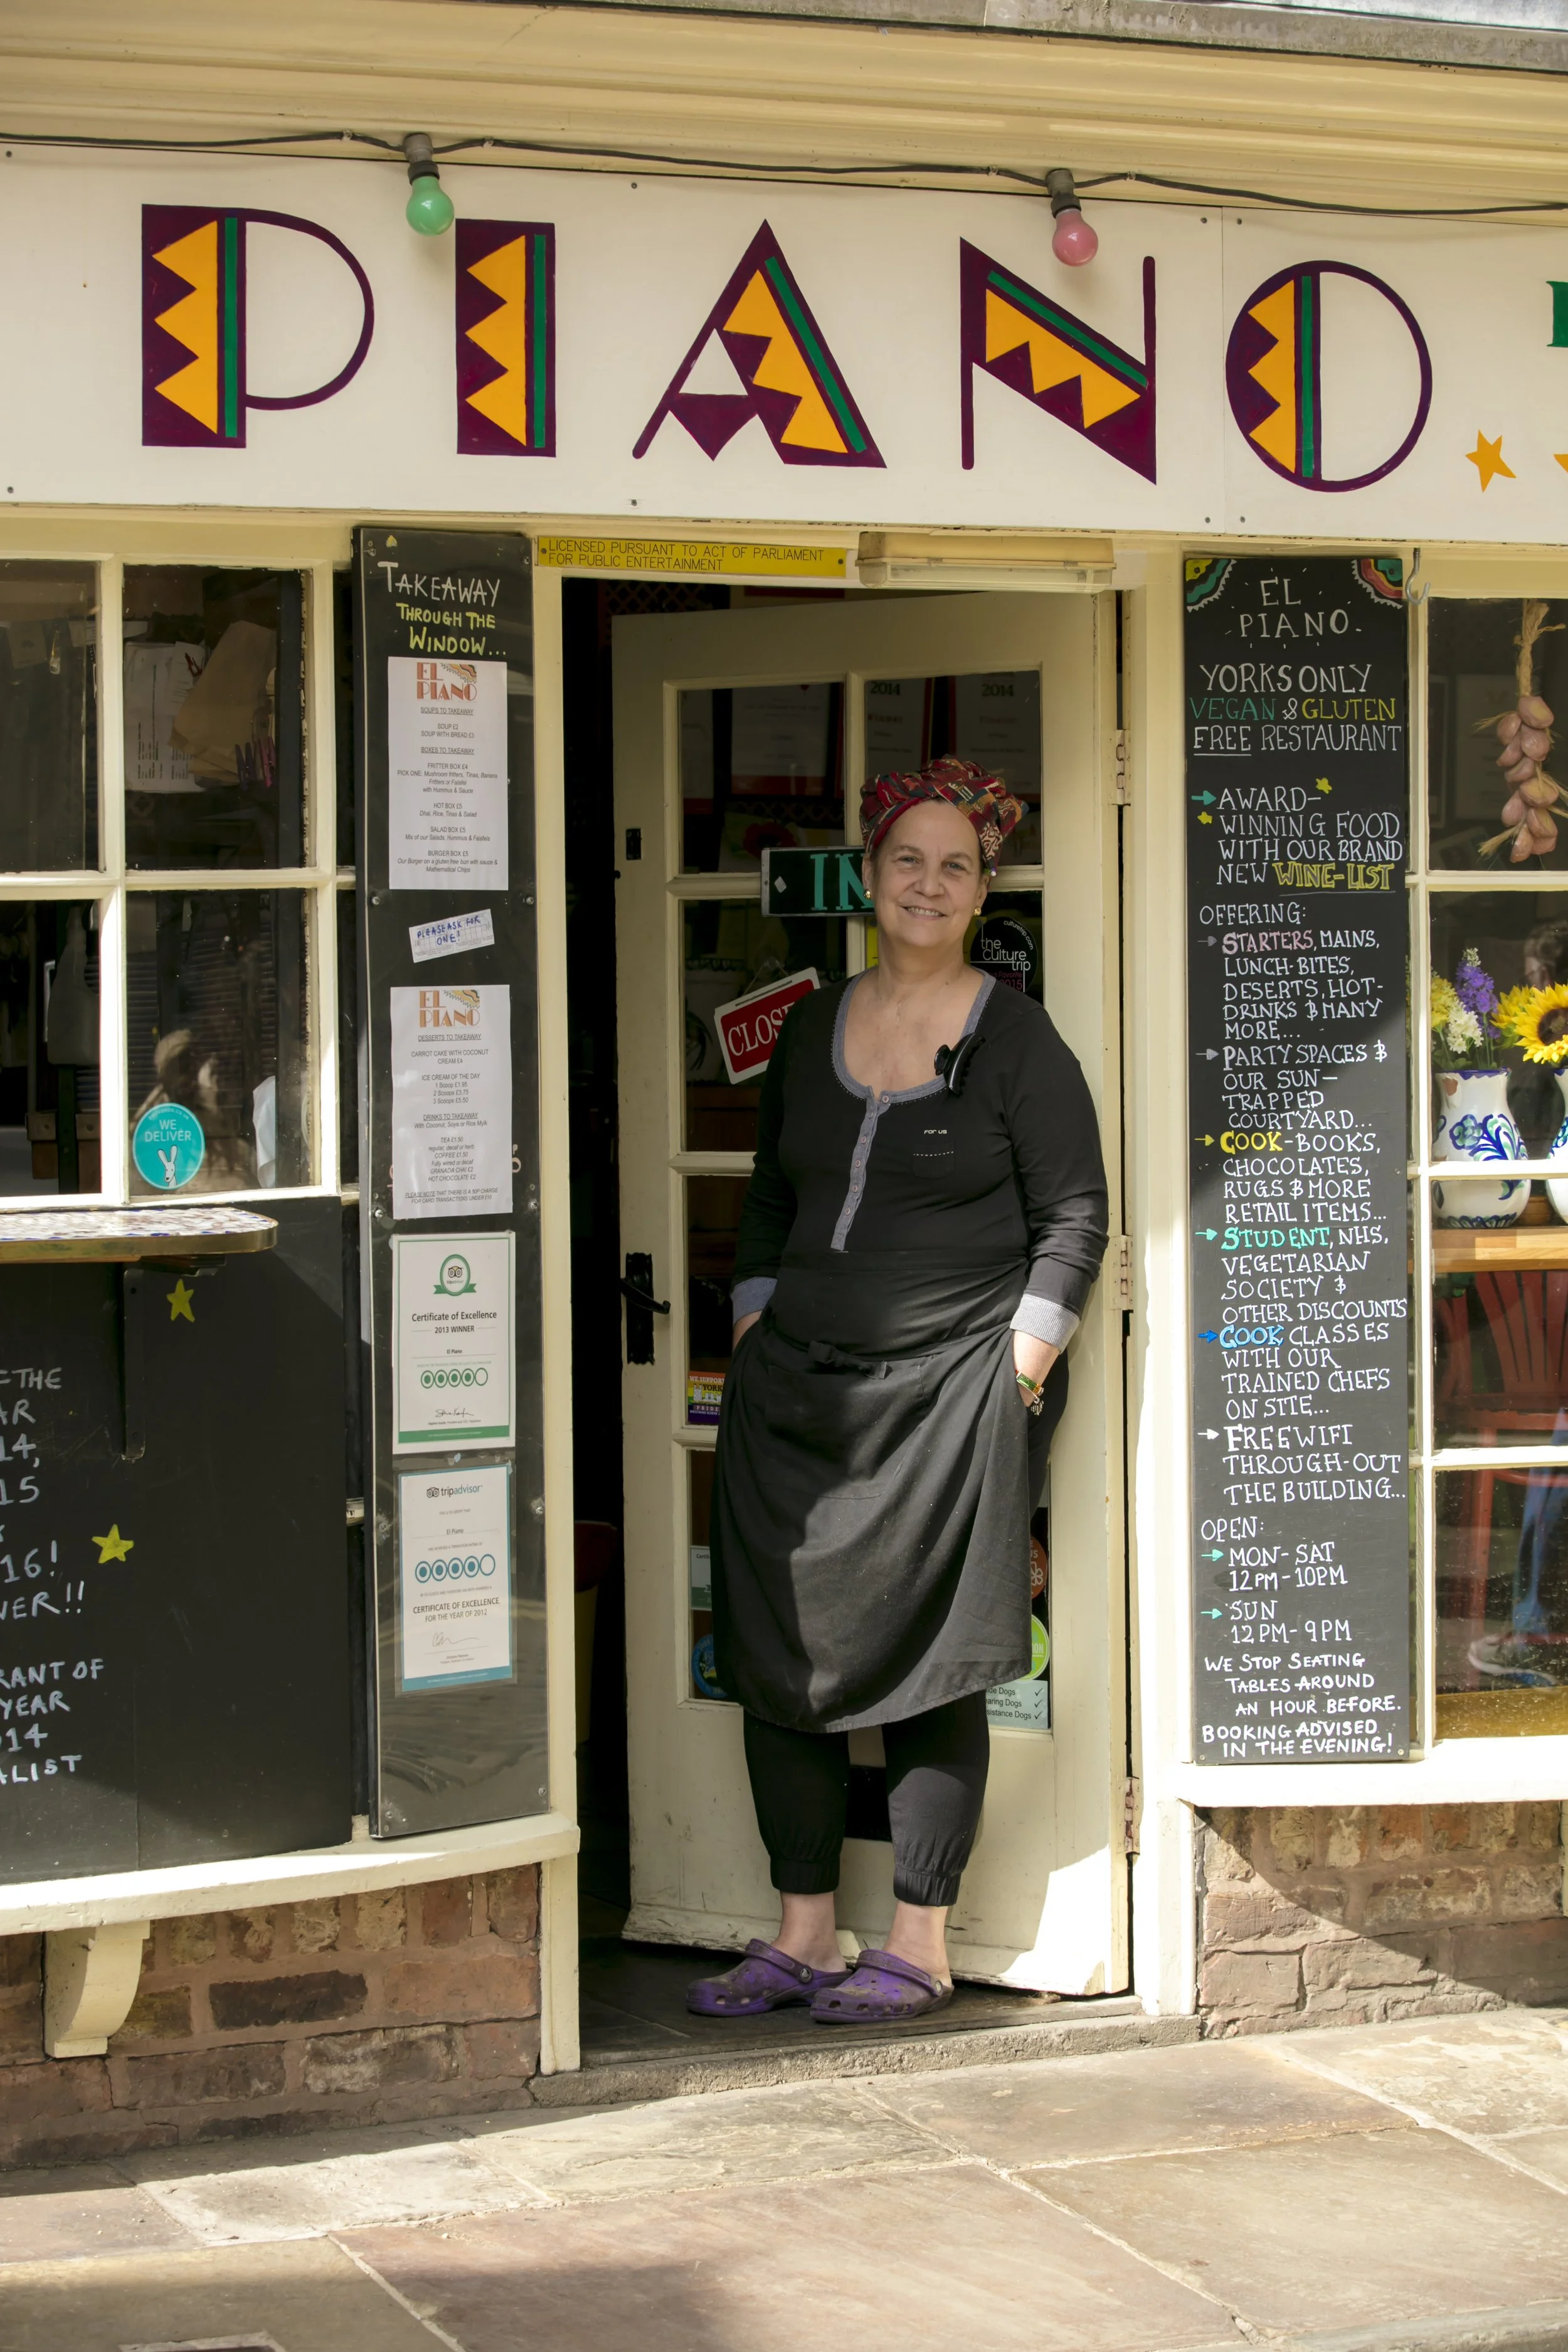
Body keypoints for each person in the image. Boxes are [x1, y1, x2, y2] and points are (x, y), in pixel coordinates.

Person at [686, 756, 1108, 2025]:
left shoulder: (1012, 1036)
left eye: (955, 866)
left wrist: (1015, 1371)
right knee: (776, 1655)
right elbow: (768, 1190)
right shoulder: (815, 1024)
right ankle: (802, 1934)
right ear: (867, 877)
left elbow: (1074, 1217)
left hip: (946, 1400)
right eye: (906, 861)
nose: (928, 884)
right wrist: (754, 1318)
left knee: (931, 1662)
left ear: (981, 892)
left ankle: (916, 1944)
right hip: (795, 1398)